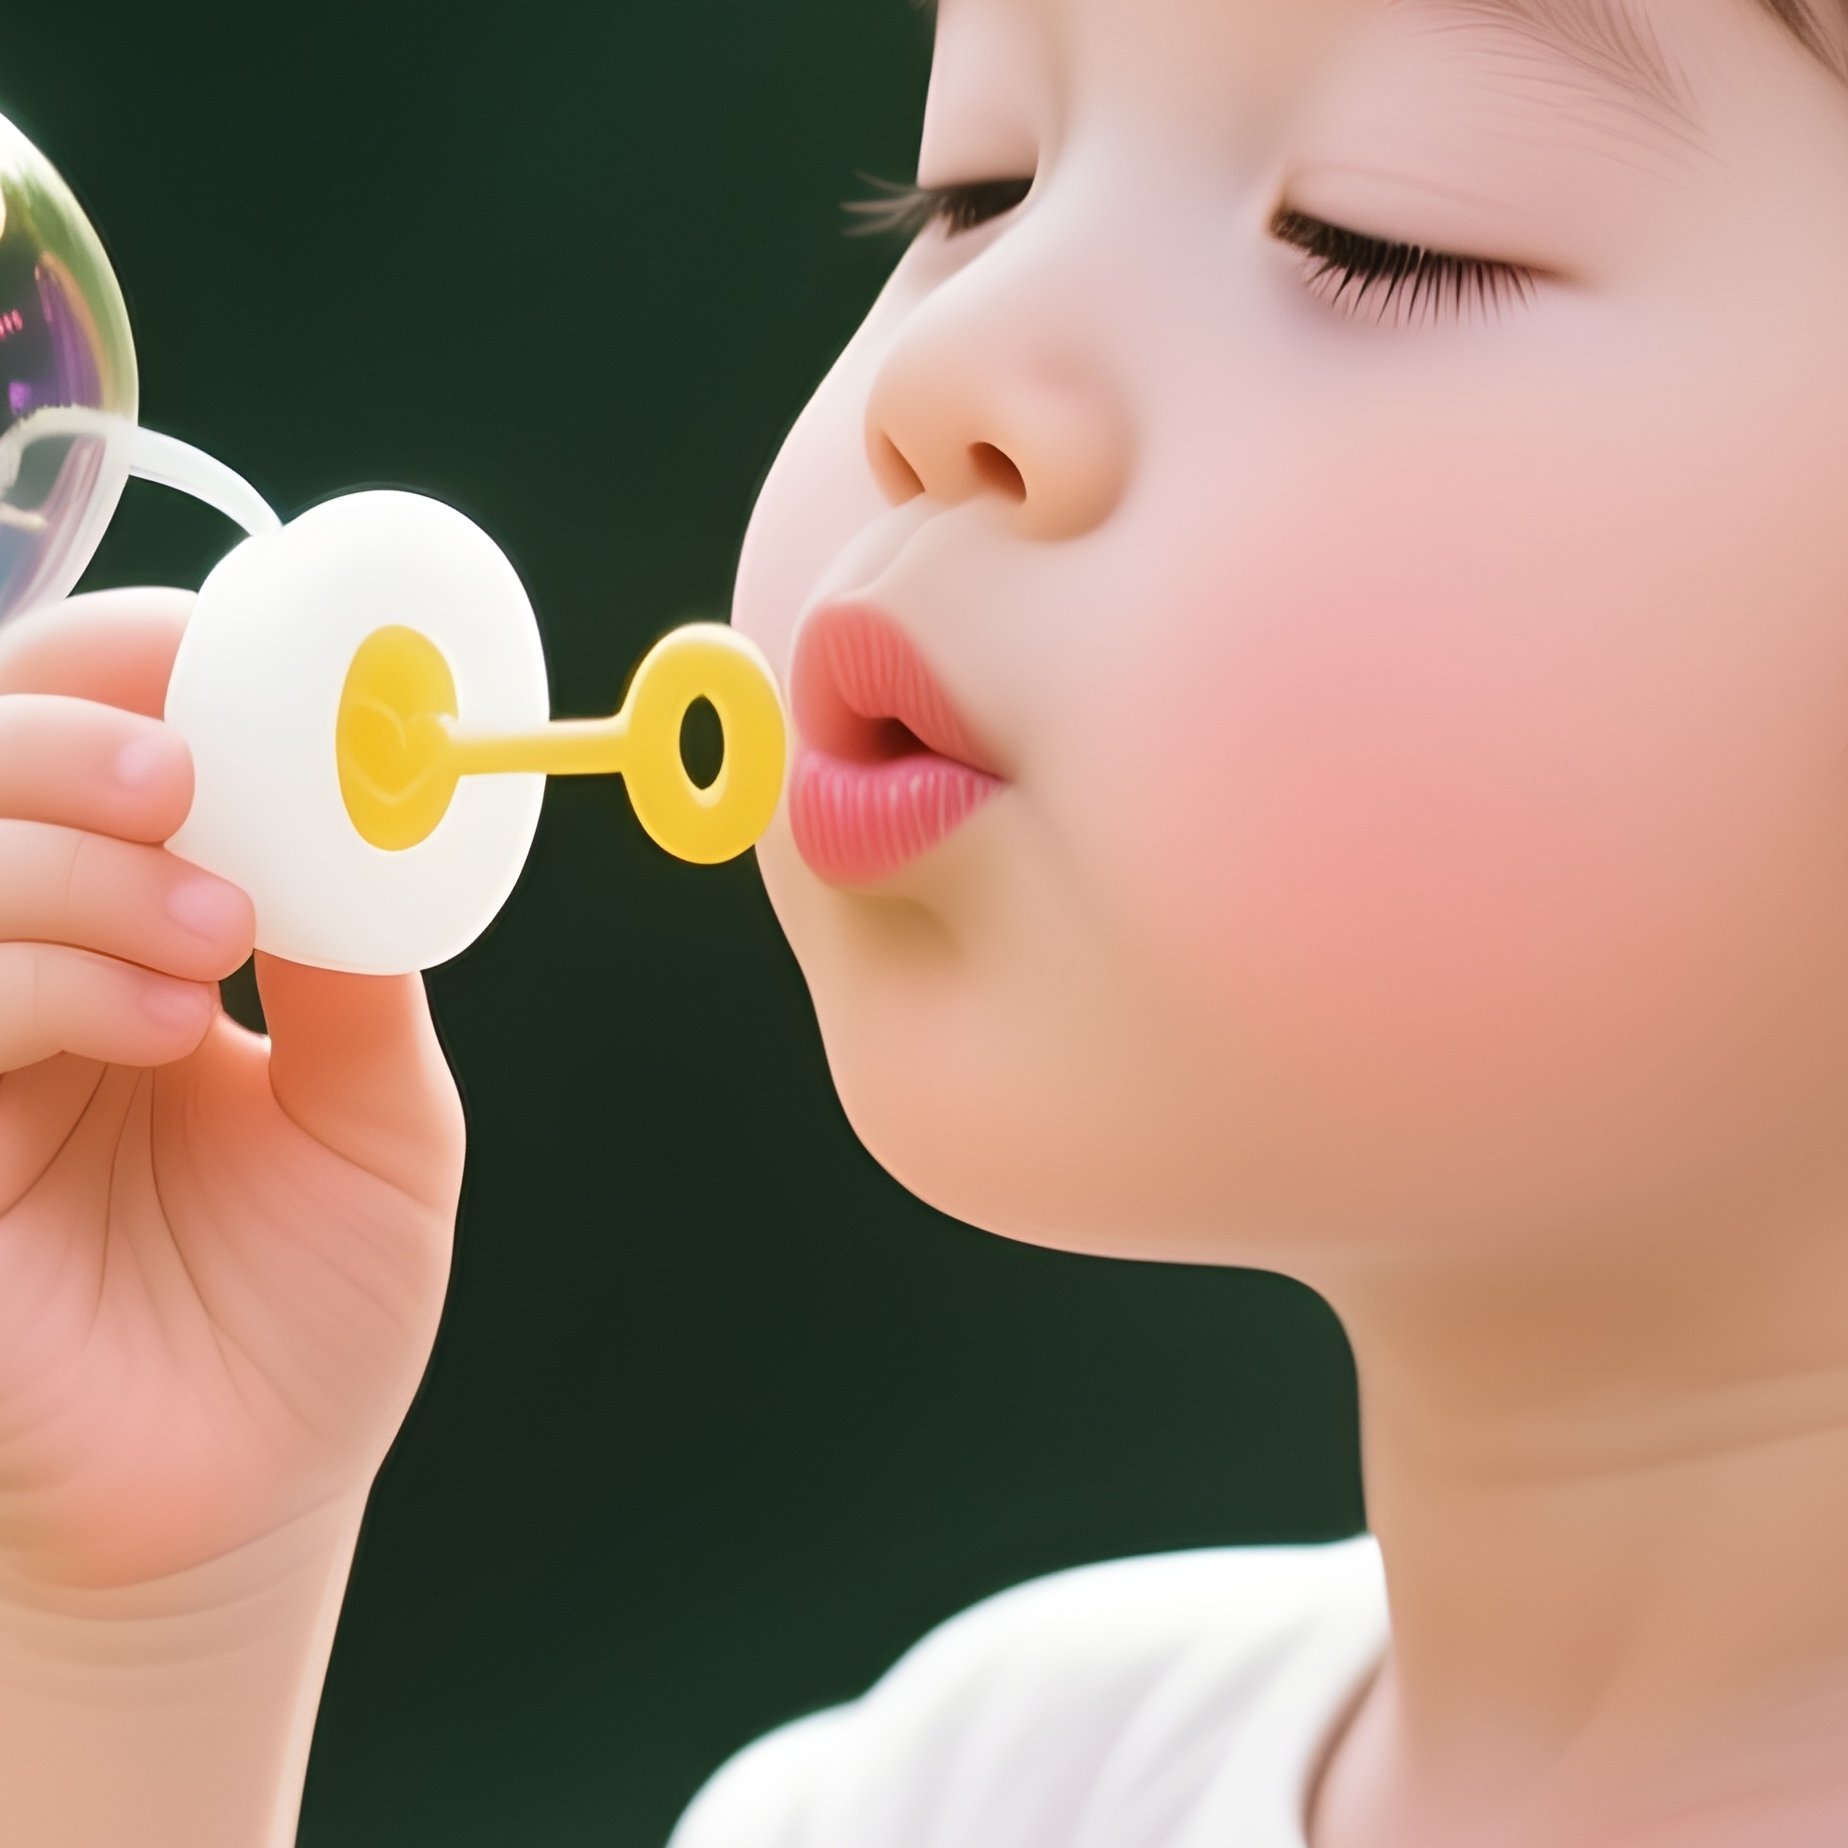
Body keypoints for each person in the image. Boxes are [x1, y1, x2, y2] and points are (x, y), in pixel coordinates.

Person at [6, 0, 1848, 1842]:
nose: (943, 369)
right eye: (977, 186)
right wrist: (143, 1640)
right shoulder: (947, 1798)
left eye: (1381, 232)